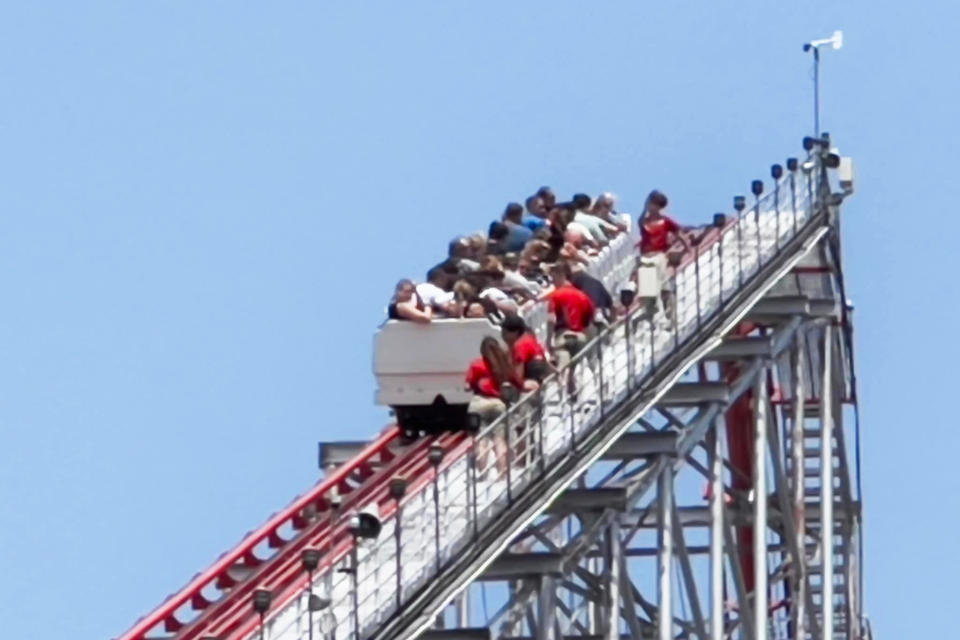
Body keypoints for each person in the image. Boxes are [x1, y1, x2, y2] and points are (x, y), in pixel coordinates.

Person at [465, 336, 519, 474]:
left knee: (481, 441)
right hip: (499, 403)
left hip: (479, 403)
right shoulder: (504, 366)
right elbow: (515, 382)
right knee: (499, 440)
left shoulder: (476, 364)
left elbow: (467, 386)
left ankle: (482, 474)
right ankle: (502, 473)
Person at [638, 190, 690, 322]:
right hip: (646, 257)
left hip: (659, 255)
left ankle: (670, 315)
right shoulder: (644, 221)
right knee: (648, 290)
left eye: (652, 204)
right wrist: (645, 207)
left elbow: (679, 234)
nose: (650, 206)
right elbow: (641, 222)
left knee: (664, 287)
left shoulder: (666, 221)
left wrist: (687, 249)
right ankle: (650, 316)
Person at [543, 263, 596, 369]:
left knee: (564, 369)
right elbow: (589, 320)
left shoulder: (556, 295)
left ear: (561, 275)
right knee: (580, 368)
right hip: (580, 336)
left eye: (553, 277)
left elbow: (551, 319)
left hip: (563, 336)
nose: (552, 281)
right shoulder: (583, 296)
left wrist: (548, 341)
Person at [500, 314, 551, 384]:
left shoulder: (519, 346)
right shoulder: (529, 337)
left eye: (505, 332)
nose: (502, 335)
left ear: (515, 332)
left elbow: (518, 375)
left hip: (533, 382)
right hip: (543, 375)